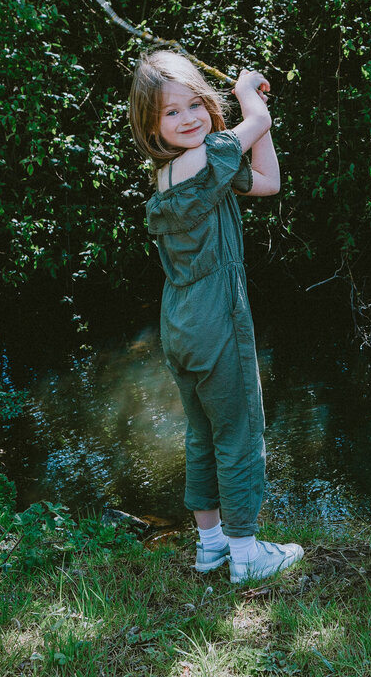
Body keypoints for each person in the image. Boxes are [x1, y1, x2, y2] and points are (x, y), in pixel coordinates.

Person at [129, 49, 302, 583]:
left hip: (181, 325)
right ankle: (247, 555)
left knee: (204, 434)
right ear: (151, 126)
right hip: (216, 321)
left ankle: (211, 546)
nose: (188, 118)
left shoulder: (198, 166)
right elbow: (256, 121)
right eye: (171, 113)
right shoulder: (196, 163)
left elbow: (268, 181)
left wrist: (260, 121)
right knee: (241, 433)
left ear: (208, 105)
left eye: (195, 105)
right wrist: (251, 96)